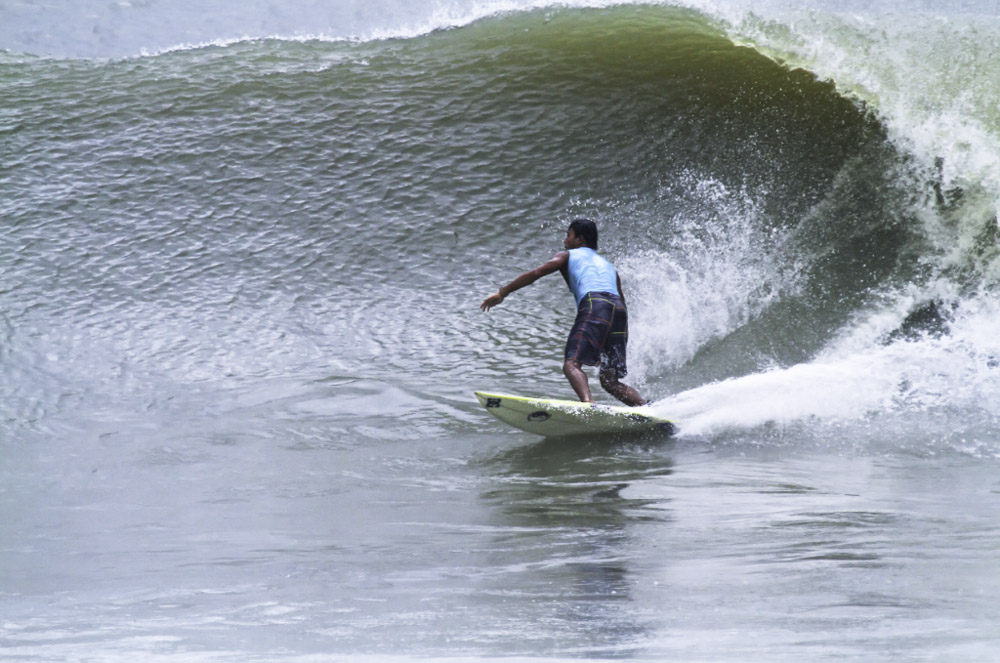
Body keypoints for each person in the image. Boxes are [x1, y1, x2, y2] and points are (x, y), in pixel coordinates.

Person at [480, 218, 646, 406]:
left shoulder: (568, 255)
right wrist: (621, 335)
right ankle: (647, 408)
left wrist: (503, 293)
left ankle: (587, 403)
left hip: (594, 303)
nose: (565, 241)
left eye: (568, 235)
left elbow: (536, 273)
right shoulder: (607, 264)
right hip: (619, 311)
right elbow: (620, 301)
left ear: (579, 239)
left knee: (571, 364)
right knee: (610, 381)